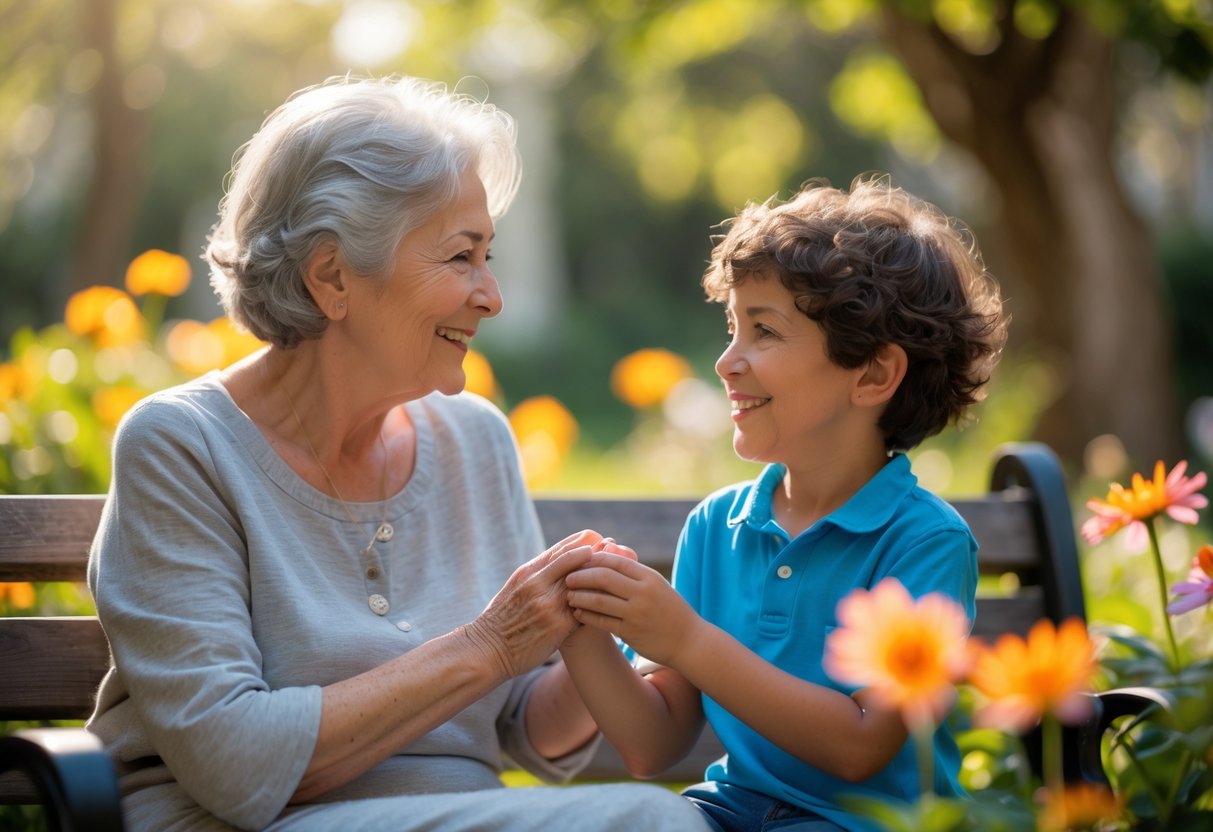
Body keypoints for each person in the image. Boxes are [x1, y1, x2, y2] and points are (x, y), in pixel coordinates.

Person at [85, 75, 710, 832]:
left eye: (488, 256)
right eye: (460, 257)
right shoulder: (183, 446)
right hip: (237, 823)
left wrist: (593, 623)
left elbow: (522, 729)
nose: (491, 295)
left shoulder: (473, 439)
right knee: (653, 825)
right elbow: (236, 767)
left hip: (461, 816)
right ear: (332, 276)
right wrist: (488, 644)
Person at [559, 176, 1009, 831]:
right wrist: (582, 631)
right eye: (731, 327)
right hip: (729, 814)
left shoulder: (924, 543)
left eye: (762, 331)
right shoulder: (716, 527)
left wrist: (685, 637)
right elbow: (651, 744)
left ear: (874, 375)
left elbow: (860, 746)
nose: (724, 363)